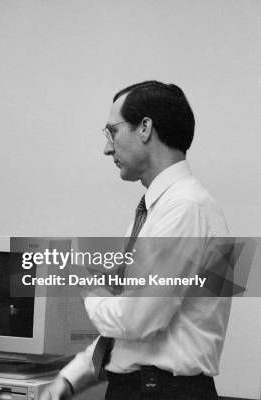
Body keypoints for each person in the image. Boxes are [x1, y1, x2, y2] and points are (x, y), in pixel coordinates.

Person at [41, 81, 231, 399]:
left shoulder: (185, 209)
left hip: (161, 391)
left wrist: (84, 283)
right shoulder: (156, 211)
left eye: (112, 132)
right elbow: (133, 333)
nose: (107, 148)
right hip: (145, 387)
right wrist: (71, 378)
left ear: (144, 128)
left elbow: (138, 319)